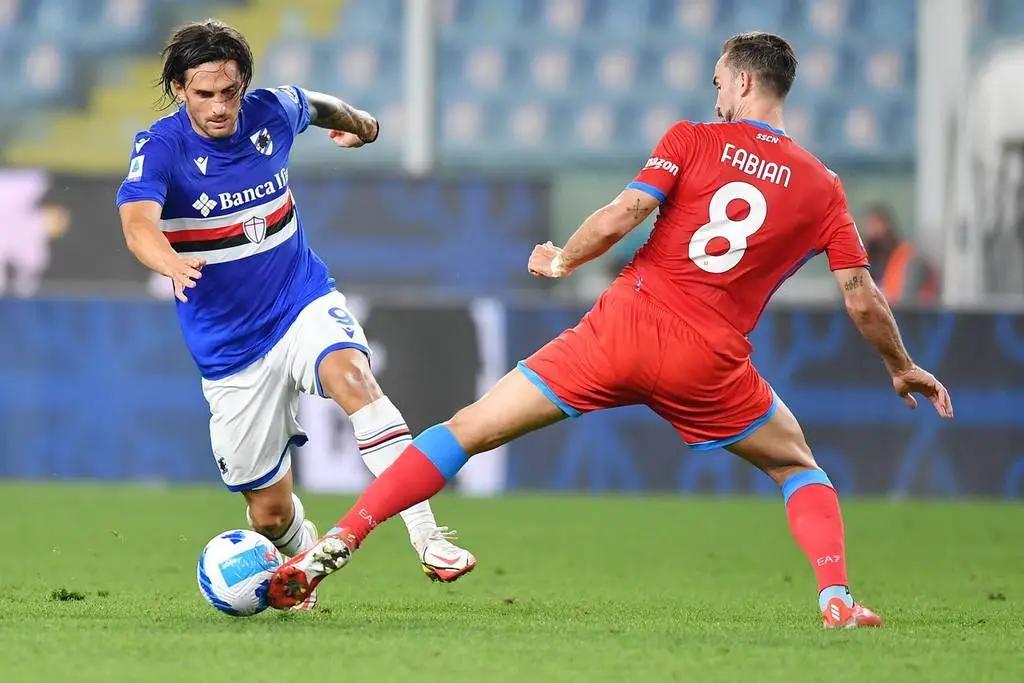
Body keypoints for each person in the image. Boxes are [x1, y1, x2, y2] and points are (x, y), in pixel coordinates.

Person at [266, 32, 953, 628]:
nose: (716, 95)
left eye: (719, 82)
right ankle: (836, 599)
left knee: (466, 430)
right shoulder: (823, 186)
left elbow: (626, 213)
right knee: (797, 466)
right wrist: (900, 364)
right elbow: (862, 298)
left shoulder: (692, 139)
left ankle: (342, 539)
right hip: (707, 362)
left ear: (744, 82)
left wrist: (564, 258)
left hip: (622, 329)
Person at [115, 20, 476, 609]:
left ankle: (428, 538)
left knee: (353, 378)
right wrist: (170, 263)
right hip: (231, 350)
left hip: (300, 302)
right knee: (269, 513)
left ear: (244, 84)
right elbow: (137, 225)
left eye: (229, 91)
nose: (219, 107)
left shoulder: (269, 112)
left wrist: (362, 125)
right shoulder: (160, 147)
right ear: (180, 89)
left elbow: (317, 104)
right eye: (204, 94)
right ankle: (302, 556)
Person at [861, 205, 939, 305]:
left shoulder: (910, 257)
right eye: (869, 226)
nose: (872, 231)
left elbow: (908, 298)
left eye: (875, 225)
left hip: (907, 311)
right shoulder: (870, 257)